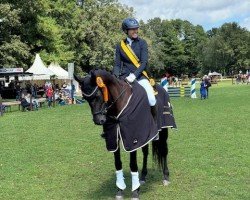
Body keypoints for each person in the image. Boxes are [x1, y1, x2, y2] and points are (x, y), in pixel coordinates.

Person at [113, 18, 157, 116]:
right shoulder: (120, 45)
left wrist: (134, 75)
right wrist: (114, 77)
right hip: (124, 77)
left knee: (151, 99)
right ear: (126, 31)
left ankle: (154, 124)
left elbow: (144, 62)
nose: (135, 31)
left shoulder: (142, 43)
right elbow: (117, 64)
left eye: (136, 28)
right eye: (132, 29)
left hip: (140, 76)